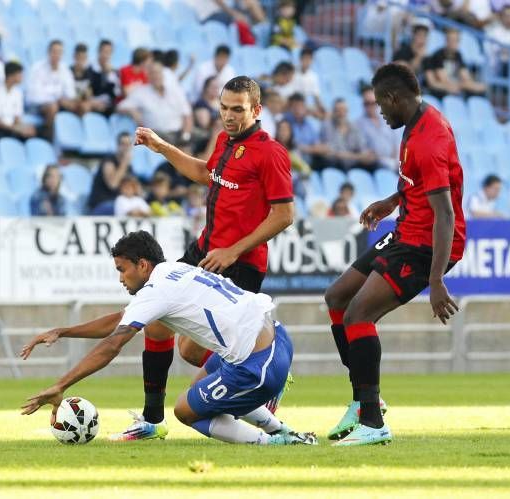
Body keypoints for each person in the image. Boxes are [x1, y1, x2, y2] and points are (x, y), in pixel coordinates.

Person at [20, 232, 316, 445]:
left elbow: (113, 344)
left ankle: (274, 443)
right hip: (278, 337)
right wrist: (63, 331)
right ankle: (282, 431)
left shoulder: (156, 291)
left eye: (122, 270)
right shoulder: (175, 270)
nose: (120, 278)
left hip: (259, 365)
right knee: (199, 386)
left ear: (142, 265)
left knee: (186, 412)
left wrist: (61, 385)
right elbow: (119, 320)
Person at [127, 76, 294, 441]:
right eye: (224, 108)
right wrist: (160, 147)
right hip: (205, 251)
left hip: (240, 263)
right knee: (155, 318)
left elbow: (284, 214)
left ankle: (262, 373)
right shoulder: (224, 141)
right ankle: (152, 421)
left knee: (190, 349)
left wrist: (234, 250)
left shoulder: (270, 153)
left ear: (257, 110)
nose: (229, 116)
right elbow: (207, 173)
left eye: (238, 109)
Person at [323, 63, 465, 446]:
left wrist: (436, 280)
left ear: (393, 98)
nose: (379, 113)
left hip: (427, 243)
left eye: (379, 105)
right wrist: (391, 201)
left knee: (359, 313)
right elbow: (418, 184)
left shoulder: (428, 140)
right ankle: (364, 398)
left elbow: (446, 213)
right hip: (406, 229)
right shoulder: (415, 123)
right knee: (336, 298)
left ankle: (372, 421)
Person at [117, 62, 193, 146]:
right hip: (157, 135)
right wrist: (132, 111)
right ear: (148, 76)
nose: (156, 76)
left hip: (179, 133)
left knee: (204, 138)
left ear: (163, 75)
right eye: (153, 73)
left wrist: (186, 136)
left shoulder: (175, 91)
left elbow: (187, 115)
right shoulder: (141, 92)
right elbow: (120, 107)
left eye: (158, 73)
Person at [27, 40, 80, 135]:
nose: (57, 55)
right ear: (48, 52)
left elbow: (70, 93)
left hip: (60, 103)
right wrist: (55, 99)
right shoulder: (37, 68)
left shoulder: (65, 70)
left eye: (59, 52)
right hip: (38, 106)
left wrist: (64, 100)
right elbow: (34, 96)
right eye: (54, 51)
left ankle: (71, 137)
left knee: (81, 105)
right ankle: (47, 136)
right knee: (52, 107)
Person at [424, 28, 486, 98]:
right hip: (440, 89)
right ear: (446, 40)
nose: (453, 43)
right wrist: (464, 85)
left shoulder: (458, 55)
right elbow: (443, 79)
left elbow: (465, 76)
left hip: (454, 86)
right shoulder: (438, 55)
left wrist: (471, 85)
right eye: (451, 40)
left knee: (479, 91)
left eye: (456, 40)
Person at [319, 98, 378, 171]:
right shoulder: (327, 126)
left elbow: (362, 149)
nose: (341, 113)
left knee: (374, 163)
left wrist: (366, 156)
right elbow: (332, 153)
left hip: (354, 165)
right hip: (335, 165)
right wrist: (358, 156)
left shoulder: (354, 127)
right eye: (338, 110)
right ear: (333, 112)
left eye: (344, 110)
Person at [0, 61, 36, 141]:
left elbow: (17, 118)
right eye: (20, 74)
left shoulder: (18, 93)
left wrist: (24, 128)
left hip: (10, 128)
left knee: (30, 135)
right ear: (11, 76)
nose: (22, 77)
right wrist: (14, 128)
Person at [356, 86, 401, 171]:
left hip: (395, 161)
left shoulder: (388, 118)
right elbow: (364, 150)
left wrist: (396, 159)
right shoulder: (359, 124)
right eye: (367, 103)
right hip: (377, 165)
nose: (370, 106)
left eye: (373, 103)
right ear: (363, 104)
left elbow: (396, 141)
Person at [87, 133, 133, 215]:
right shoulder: (109, 161)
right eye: (123, 144)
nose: (126, 148)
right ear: (118, 146)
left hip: (118, 203)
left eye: (129, 144)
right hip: (102, 204)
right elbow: (113, 185)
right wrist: (124, 163)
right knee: (123, 209)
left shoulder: (129, 167)